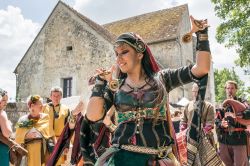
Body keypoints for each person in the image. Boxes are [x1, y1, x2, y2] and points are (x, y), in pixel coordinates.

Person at [86, 15, 211, 166]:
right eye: (116, 54)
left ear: (139, 53)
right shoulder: (115, 86)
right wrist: (100, 82)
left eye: (124, 52)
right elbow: (93, 116)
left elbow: (202, 69)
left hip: (158, 160)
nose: (118, 58)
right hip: (121, 160)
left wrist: (202, 35)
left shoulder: (163, 78)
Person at [179, 83, 215, 165]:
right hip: (189, 138)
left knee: (206, 162)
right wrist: (184, 133)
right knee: (191, 162)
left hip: (205, 139)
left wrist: (201, 135)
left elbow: (209, 123)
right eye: (194, 91)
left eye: (198, 91)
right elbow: (183, 120)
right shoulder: (188, 105)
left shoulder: (209, 106)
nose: (196, 94)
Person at [215, 80, 250, 166]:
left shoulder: (243, 102)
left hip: (239, 139)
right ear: (225, 89)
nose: (230, 90)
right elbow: (216, 121)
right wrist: (221, 124)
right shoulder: (221, 106)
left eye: (232, 88)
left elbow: (249, 113)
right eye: (228, 88)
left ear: (236, 90)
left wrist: (239, 115)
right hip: (224, 140)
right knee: (225, 164)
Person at [15, 95, 51, 166]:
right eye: (39, 105)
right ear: (31, 106)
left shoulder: (45, 118)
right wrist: (25, 136)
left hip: (42, 151)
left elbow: (49, 133)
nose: (42, 106)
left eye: (42, 105)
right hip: (27, 151)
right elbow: (17, 138)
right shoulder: (22, 120)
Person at [42, 86, 70, 165]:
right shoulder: (43, 108)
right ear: (50, 96)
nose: (56, 98)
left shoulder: (66, 109)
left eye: (58, 96)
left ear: (61, 96)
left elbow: (68, 128)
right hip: (45, 141)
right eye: (54, 96)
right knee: (45, 162)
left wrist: (67, 144)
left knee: (58, 163)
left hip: (59, 141)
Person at [0, 89, 12, 166]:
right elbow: (7, 133)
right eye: (3, 100)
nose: (6, 103)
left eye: (6, 100)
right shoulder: (1, 113)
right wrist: (9, 124)